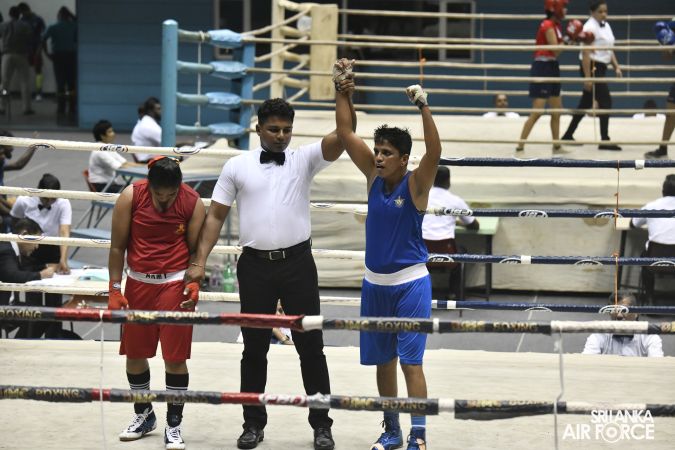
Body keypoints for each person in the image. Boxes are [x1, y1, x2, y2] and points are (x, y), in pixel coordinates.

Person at [184, 94, 356, 450]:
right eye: (274, 129)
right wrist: (199, 262)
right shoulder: (236, 166)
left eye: (287, 130)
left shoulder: (303, 159)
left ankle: (322, 425)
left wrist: (343, 93)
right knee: (254, 349)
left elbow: (345, 133)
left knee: (312, 347)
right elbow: (215, 217)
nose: (281, 136)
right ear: (258, 128)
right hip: (254, 266)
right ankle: (252, 424)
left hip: (298, 265)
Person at [334, 59, 441, 450]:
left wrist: (423, 106)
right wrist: (341, 90)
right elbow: (346, 132)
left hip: (410, 284)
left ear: (403, 158)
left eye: (387, 152)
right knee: (384, 362)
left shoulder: (416, 185)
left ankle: (419, 435)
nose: (378, 157)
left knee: (411, 362)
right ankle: (392, 429)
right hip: (374, 285)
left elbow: (435, 151)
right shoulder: (372, 178)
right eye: (377, 151)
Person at [108, 156, 206, 450]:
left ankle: (173, 425)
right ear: (149, 185)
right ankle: (144, 414)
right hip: (138, 282)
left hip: (175, 283)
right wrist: (114, 288)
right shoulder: (131, 196)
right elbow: (117, 247)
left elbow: (195, 250)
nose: (164, 199)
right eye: (159, 194)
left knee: (175, 358)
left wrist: (194, 281)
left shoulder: (192, 202)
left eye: (170, 194)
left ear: (179, 187)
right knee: (135, 354)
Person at [561, 0, 622, 150]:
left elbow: (609, 48)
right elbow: (586, 53)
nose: (604, 14)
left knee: (585, 103)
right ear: (592, 12)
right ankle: (604, 140)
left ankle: (568, 135)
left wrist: (616, 66)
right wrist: (588, 78)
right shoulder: (589, 27)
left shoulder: (606, 26)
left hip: (601, 67)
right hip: (592, 67)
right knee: (605, 101)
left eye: (605, 11)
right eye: (600, 11)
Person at [516, 0, 568, 155]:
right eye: (564, 7)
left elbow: (557, 51)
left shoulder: (556, 26)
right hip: (543, 67)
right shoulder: (547, 25)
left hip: (552, 66)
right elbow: (556, 50)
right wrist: (568, 39)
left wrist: (569, 39)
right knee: (537, 111)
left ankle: (556, 146)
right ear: (555, 9)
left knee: (557, 110)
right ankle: (520, 146)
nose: (566, 10)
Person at [422, 166, 479, 300]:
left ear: (433, 180)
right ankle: (454, 294)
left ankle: (420, 293)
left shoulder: (422, 197)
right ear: (448, 181)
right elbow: (474, 225)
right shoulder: (455, 201)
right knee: (462, 252)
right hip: (448, 256)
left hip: (423, 255)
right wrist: (457, 221)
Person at [10, 173, 71, 275]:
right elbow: (15, 223)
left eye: (53, 199)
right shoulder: (24, 200)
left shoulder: (64, 203)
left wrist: (63, 258)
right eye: (46, 199)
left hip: (52, 245)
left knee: (54, 279)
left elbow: (64, 231)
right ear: (38, 190)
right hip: (29, 246)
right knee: (29, 279)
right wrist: (19, 248)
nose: (49, 202)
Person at [631, 174, 675, 303]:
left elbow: (633, 223)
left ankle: (649, 297)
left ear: (663, 191)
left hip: (654, 260)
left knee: (645, 260)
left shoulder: (651, 206)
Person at [582, 292, 664, 357]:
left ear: (636, 313)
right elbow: (586, 363)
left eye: (624, 310)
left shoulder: (650, 337)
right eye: (614, 310)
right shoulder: (598, 335)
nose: (619, 315)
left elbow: (657, 366)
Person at [0, 218, 54, 305]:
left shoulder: (11, 246)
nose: (37, 246)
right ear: (24, 235)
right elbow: (12, 275)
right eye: (36, 241)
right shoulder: (6, 249)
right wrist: (41, 275)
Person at [645, 19, 675, 159]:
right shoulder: (671, 32)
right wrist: (665, 42)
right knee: (670, 114)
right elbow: (667, 57)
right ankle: (663, 149)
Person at [41, 6, 77, 116]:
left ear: (59, 15)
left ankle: (61, 107)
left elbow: (43, 39)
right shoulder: (74, 25)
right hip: (71, 56)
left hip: (58, 56)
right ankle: (72, 107)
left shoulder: (53, 27)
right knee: (71, 83)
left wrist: (47, 54)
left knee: (60, 82)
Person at [88, 120, 140, 192]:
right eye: (110, 132)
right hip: (101, 186)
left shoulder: (109, 146)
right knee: (136, 191)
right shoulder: (99, 151)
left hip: (109, 184)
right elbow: (120, 167)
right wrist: (141, 168)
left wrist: (146, 166)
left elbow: (125, 163)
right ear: (102, 136)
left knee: (137, 189)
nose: (113, 134)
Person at [0, 132, 38, 231]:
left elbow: (18, 165)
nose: (13, 148)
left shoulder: (1, 162)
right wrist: (15, 214)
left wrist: (13, 208)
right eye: (10, 145)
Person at [0, 6, 34, 115]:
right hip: (21, 55)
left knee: (5, 82)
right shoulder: (25, 25)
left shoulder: (3, 25)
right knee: (24, 82)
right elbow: (30, 39)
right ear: (19, 14)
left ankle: (2, 107)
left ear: (9, 14)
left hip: (7, 55)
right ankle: (26, 108)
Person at [17, 2, 45, 101]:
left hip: (36, 48)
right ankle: (26, 93)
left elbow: (43, 36)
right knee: (24, 71)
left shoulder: (38, 19)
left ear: (27, 9)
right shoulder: (21, 20)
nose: (22, 14)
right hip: (25, 49)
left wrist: (39, 49)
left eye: (22, 12)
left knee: (38, 70)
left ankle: (39, 93)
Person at [131, 97, 162, 163]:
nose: (161, 111)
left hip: (150, 159)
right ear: (150, 111)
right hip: (148, 162)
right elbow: (168, 144)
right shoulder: (149, 125)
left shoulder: (145, 122)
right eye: (158, 109)